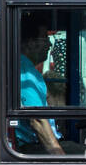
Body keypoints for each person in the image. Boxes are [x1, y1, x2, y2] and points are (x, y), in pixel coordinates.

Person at [16, 14, 76, 154]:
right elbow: (37, 120)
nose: (49, 44)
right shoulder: (25, 72)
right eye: (45, 39)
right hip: (32, 146)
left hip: (35, 143)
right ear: (30, 42)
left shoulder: (26, 68)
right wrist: (59, 157)